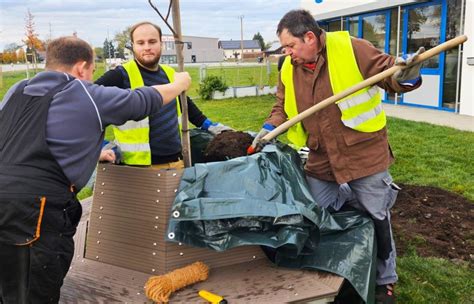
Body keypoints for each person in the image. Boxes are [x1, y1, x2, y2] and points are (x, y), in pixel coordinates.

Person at [0, 36, 191, 303]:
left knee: (7, 282)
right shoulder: (82, 92)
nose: (92, 77)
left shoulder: (17, 90)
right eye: (92, 71)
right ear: (81, 67)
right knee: (34, 290)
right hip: (35, 210)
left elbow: (31, 133)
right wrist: (179, 83)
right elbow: (141, 101)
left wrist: (91, 151)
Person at [251, 10, 424, 304]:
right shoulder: (289, 67)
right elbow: (282, 105)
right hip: (322, 158)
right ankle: (336, 262)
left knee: (377, 216)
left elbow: (389, 73)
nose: (288, 53)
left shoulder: (351, 48)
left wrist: (406, 74)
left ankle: (385, 279)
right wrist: (269, 127)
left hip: (363, 154)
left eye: (290, 46)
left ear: (309, 37)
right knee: (312, 210)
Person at [96, 21, 232, 169]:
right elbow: (85, 103)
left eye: (152, 41)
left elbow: (186, 105)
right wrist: (101, 146)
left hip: (175, 162)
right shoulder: (120, 75)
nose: (147, 47)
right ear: (133, 46)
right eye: (140, 43)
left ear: (161, 44)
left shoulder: (170, 73)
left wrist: (209, 125)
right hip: (138, 169)